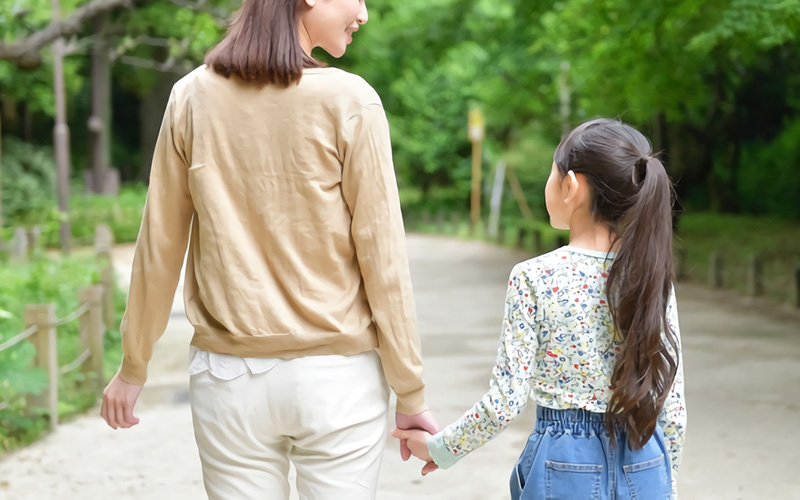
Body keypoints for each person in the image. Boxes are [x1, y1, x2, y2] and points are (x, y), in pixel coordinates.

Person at [100, 0, 438, 498]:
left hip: (228, 379)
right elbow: (382, 257)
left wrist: (134, 365)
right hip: (337, 381)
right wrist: (409, 391)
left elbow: (160, 246)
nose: (364, 13)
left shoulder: (191, 96)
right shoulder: (352, 100)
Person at [394, 118, 687, 499]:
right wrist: (669, 480)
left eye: (552, 174)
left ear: (571, 186)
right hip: (645, 458)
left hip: (565, 464)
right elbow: (673, 404)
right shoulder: (651, 276)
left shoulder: (535, 276)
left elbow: (506, 402)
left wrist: (441, 449)